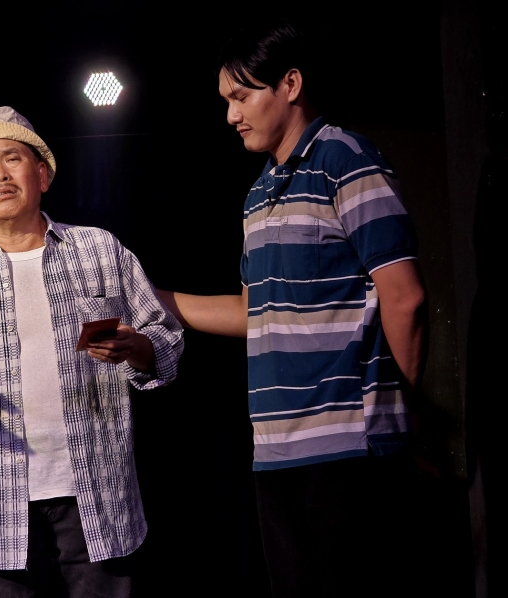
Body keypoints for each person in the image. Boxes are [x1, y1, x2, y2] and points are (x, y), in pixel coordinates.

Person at [159, 19, 428, 598]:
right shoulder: (258, 193)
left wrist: (402, 418)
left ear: (291, 84)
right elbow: (256, 312)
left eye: (241, 96)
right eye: (226, 101)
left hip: (350, 447)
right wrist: (159, 301)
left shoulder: (344, 158)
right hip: (276, 452)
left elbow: (404, 295)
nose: (231, 115)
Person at [0, 106, 184, 597]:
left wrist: (138, 347)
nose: (0, 174)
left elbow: (166, 339)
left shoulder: (99, 249)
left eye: (12, 159)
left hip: (97, 494)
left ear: (42, 175)